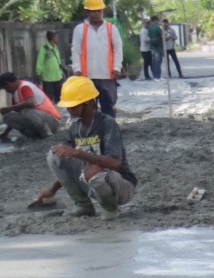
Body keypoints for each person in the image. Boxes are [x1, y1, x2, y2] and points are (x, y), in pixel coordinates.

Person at [29, 75, 137, 218]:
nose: (69, 109)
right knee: (54, 155)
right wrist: (52, 190)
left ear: (89, 103)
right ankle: (83, 205)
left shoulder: (107, 124)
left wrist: (78, 153)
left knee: (93, 170)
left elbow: (115, 163)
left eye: (74, 105)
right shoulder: (76, 127)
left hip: (120, 185)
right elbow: (70, 167)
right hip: (93, 180)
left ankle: (110, 209)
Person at [69, 0, 123, 118]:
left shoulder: (111, 29)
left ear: (102, 11)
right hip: (87, 77)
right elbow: (76, 51)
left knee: (108, 109)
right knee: (88, 110)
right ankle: (91, 133)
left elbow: (118, 49)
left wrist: (117, 67)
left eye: (99, 11)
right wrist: (77, 70)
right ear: (87, 12)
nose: (97, 14)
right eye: (93, 11)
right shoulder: (80, 29)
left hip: (107, 77)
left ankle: (109, 131)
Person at [0, 71, 63, 142]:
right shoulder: (15, 93)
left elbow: (30, 103)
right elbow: (16, 113)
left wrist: (9, 108)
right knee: (8, 117)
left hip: (52, 121)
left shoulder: (25, 86)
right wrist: (5, 133)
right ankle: (35, 136)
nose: (6, 91)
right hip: (39, 119)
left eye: (5, 88)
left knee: (26, 111)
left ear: (8, 84)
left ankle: (48, 135)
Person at [34, 30, 64, 103]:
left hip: (58, 77)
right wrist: (39, 73)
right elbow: (39, 62)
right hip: (48, 79)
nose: (58, 38)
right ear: (52, 38)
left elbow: (58, 61)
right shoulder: (44, 49)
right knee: (49, 99)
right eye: (56, 37)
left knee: (59, 98)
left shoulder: (56, 48)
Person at [143, 15, 164, 80]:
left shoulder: (150, 28)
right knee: (158, 61)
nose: (158, 22)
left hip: (152, 46)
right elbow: (162, 35)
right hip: (158, 45)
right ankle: (158, 76)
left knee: (154, 61)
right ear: (155, 20)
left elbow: (149, 37)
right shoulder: (157, 28)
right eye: (158, 20)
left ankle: (155, 75)